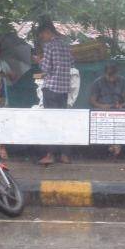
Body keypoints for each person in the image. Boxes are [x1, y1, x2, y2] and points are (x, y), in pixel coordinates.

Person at [33, 21, 74, 165]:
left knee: (50, 122)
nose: (42, 38)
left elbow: (46, 68)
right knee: (62, 122)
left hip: (51, 89)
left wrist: (39, 60)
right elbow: (71, 62)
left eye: (42, 35)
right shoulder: (65, 45)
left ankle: (50, 154)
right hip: (64, 90)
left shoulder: (49, 45)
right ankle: (64, 154)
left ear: (47, 32)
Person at [90, 63, 125, 157]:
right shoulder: (97, 82)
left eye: (113, 75)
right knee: (102, 120)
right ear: (105, 74)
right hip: (102, 109)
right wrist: (102, 106)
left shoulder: (123, 81)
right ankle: (111, 147)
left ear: (117, 73)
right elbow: (92, 101)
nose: (111, 78)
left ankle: (116, 146)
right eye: (109, 76)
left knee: (124, 118)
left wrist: (121, 105)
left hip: (118, 109)